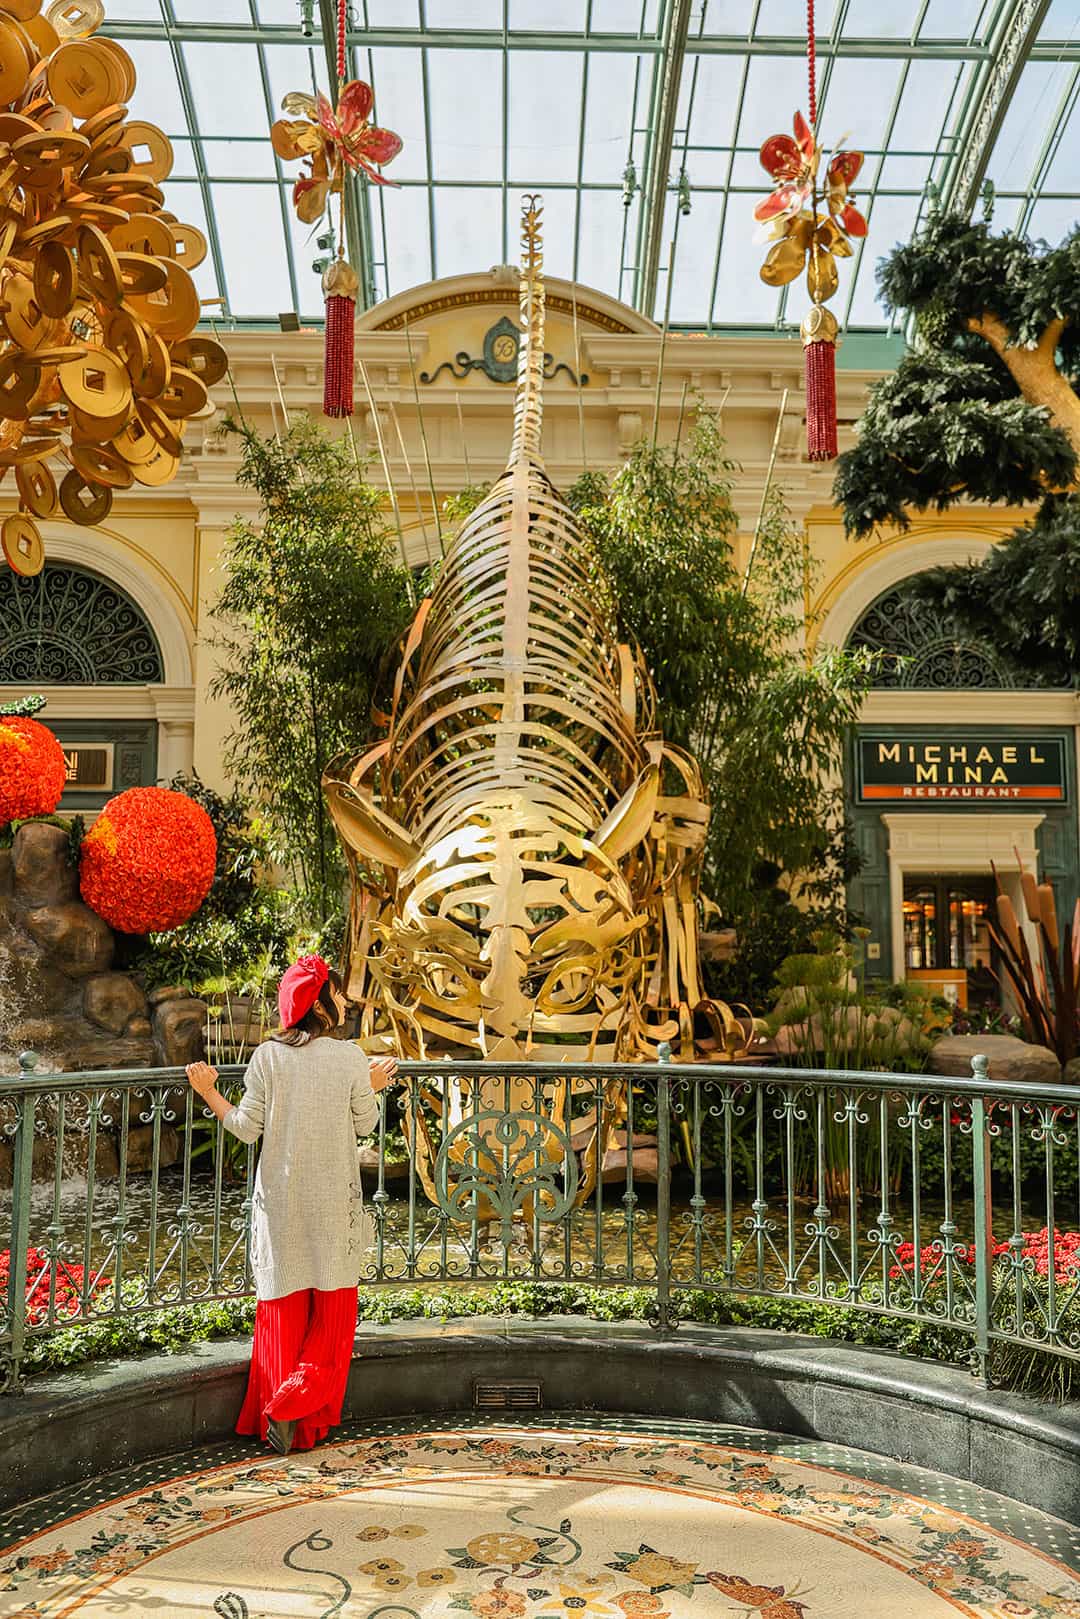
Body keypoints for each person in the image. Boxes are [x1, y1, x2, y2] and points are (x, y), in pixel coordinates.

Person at [185, 953, 397, 1455]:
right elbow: (364, 1124)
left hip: (279, 1203)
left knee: (280, 1311)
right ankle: (293, 1408)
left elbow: (245, 1127)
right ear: (322, 1006)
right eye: (339, 996)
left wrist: (209, 1092)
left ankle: (276, 1421)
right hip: (331, 1202)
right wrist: (372, 1085)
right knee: (335, 1314)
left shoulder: (267, 1057)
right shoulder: (348, 1057)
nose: (346, 1004)